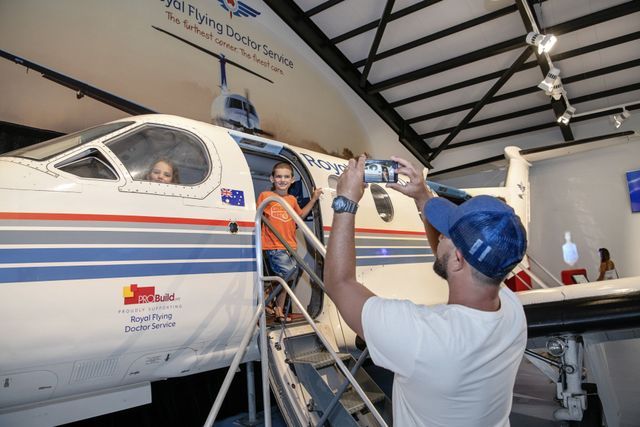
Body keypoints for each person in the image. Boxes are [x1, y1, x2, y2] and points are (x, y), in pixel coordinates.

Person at [324, 155, 528, 426]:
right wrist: (423, 198)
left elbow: (339, 284)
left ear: (457, 258)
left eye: (445, 233)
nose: (439, 236)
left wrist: (345, 203)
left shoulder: (422, 335)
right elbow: (453, 266)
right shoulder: (511, 310)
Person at [258, 161, 323, 322]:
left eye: (286, 177)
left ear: (292, 180)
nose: (282, 180)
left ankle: (277, 308)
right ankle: (267, 299)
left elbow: (299, 217)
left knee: (289, 277)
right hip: (274, 245)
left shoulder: (292, 199)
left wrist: (314, 199)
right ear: (272, 179)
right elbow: (257, 217)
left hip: (290, 245)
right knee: (289, 274)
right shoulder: (266, 196)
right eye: (278, 176)